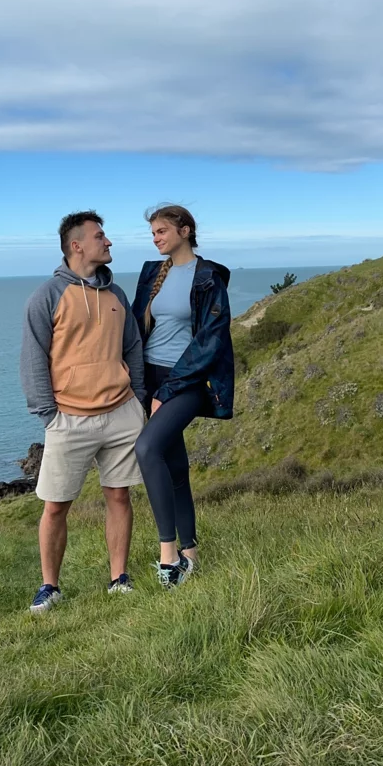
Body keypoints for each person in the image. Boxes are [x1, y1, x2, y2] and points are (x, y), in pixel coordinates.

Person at [20, 211, 146, 612]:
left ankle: (119, 578)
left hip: (121, 412)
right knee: (56, 505)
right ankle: (50, 587)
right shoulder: (47, 296)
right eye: (100, 236)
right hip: (69, 417)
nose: (108, 243)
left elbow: (133, 349)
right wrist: (49, 414)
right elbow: (33, 358)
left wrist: (138, 401)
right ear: (77, 246)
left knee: (119, 496)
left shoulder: (117, 296)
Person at [132, 205, 234, 587]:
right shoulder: (153, 273)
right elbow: (135, 328)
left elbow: (211, 341)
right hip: (151, 377)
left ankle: (167, 554)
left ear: (185, 231)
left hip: (186, 380)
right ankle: (190, 554)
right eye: (153, 233)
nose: (155, 237)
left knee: (147, 449)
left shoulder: (207, 277)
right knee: (174, 468)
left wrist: (171, 388)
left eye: (161, 231)